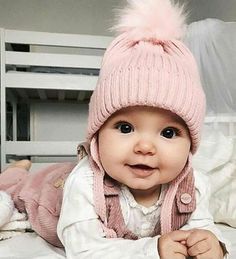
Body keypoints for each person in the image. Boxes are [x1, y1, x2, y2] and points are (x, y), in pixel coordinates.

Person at [56, 0, 229, 258]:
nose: (145, 147)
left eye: (168, 133)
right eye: (125, 128)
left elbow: (200, 227)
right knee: (24, 192)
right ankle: (17, 173)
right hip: (49, 195)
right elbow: (84, 248)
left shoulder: (193, 185)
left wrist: (210, 243)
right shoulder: (85, 183)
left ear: (191, 145)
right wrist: (151, 250)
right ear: (96, 136)